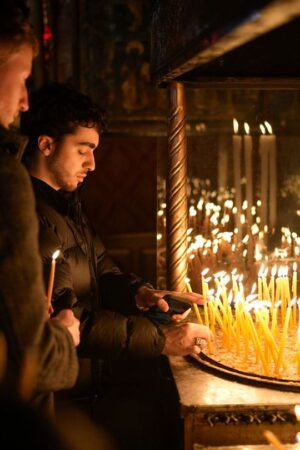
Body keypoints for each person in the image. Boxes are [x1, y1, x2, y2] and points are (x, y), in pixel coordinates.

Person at [21, 82, 212, 364]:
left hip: (88, 379)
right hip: (61, 391)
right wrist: (161, 339)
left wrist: (139, 294)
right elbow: (68, 320)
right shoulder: (28, 214)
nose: (92, 164)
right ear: (46, 144)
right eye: (82, 150)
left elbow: (103, 272)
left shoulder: (67, 205)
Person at [0, 1, 80, 417]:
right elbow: (33, 361)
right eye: (22, 79)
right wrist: (63, 337)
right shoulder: (7, 180)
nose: (25, 101)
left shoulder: (70, 205)